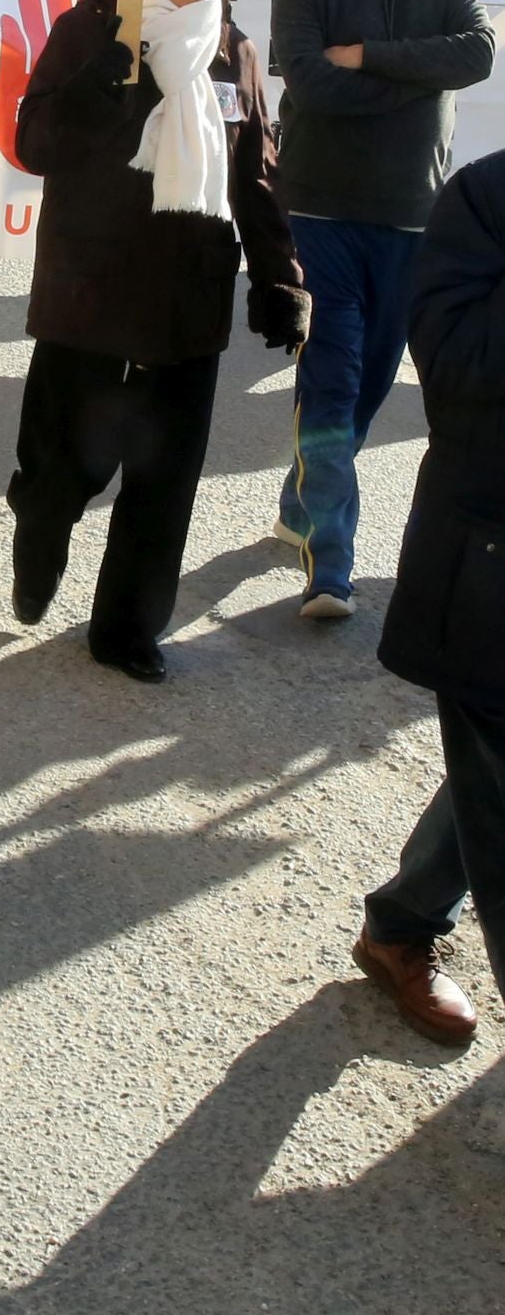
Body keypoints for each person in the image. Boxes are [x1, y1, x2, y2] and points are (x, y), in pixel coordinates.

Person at [9, 0, 310, 683]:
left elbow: (257, 174)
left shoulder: (230, 46)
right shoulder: (91, 26)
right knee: (59, 469)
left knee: (164, 482)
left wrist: (281, 281)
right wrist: (97, 80)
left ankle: (126, 631)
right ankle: (40, 533)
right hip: (90, 293)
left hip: (187, 301)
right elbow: (35, 143)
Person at [271, 0, 496, 618]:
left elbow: (476, 54)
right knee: (333, 370)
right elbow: (309, 81)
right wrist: (411, 82)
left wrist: (370, 56)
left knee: (369, 380)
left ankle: (304, 494)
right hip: (319, 208)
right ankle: (331, 563)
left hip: (411, 214)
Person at [352, 149, 505, 1046]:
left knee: (488, 781)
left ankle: (401, 924)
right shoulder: (483, 199)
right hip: (487, 568)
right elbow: (457, 374)